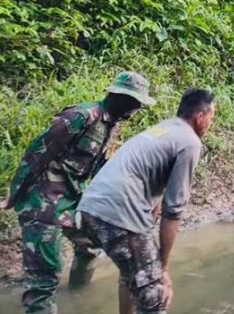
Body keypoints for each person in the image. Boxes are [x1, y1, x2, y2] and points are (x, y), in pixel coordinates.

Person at [0, 71, 154, 314]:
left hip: (72, 203)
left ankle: (78, 295)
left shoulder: (110, 125)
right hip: (43, 205)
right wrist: (14, 193)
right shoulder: (80, 116)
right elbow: (37, 152)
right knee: (44, 280)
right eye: (137, 104)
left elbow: (100, 168)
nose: (137, 111)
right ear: (126, 100)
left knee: (91, 245)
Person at [76, 88, 215, 314]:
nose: (210, 123)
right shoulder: (190, 142)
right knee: (155, 293)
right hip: (118, 213)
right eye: (211, 117)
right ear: (200, 116)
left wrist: (146, 241)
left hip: (90, 208)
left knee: (133, 275)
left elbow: (155, 196)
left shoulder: (165, 129)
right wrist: (163, 268)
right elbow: (173, 211)